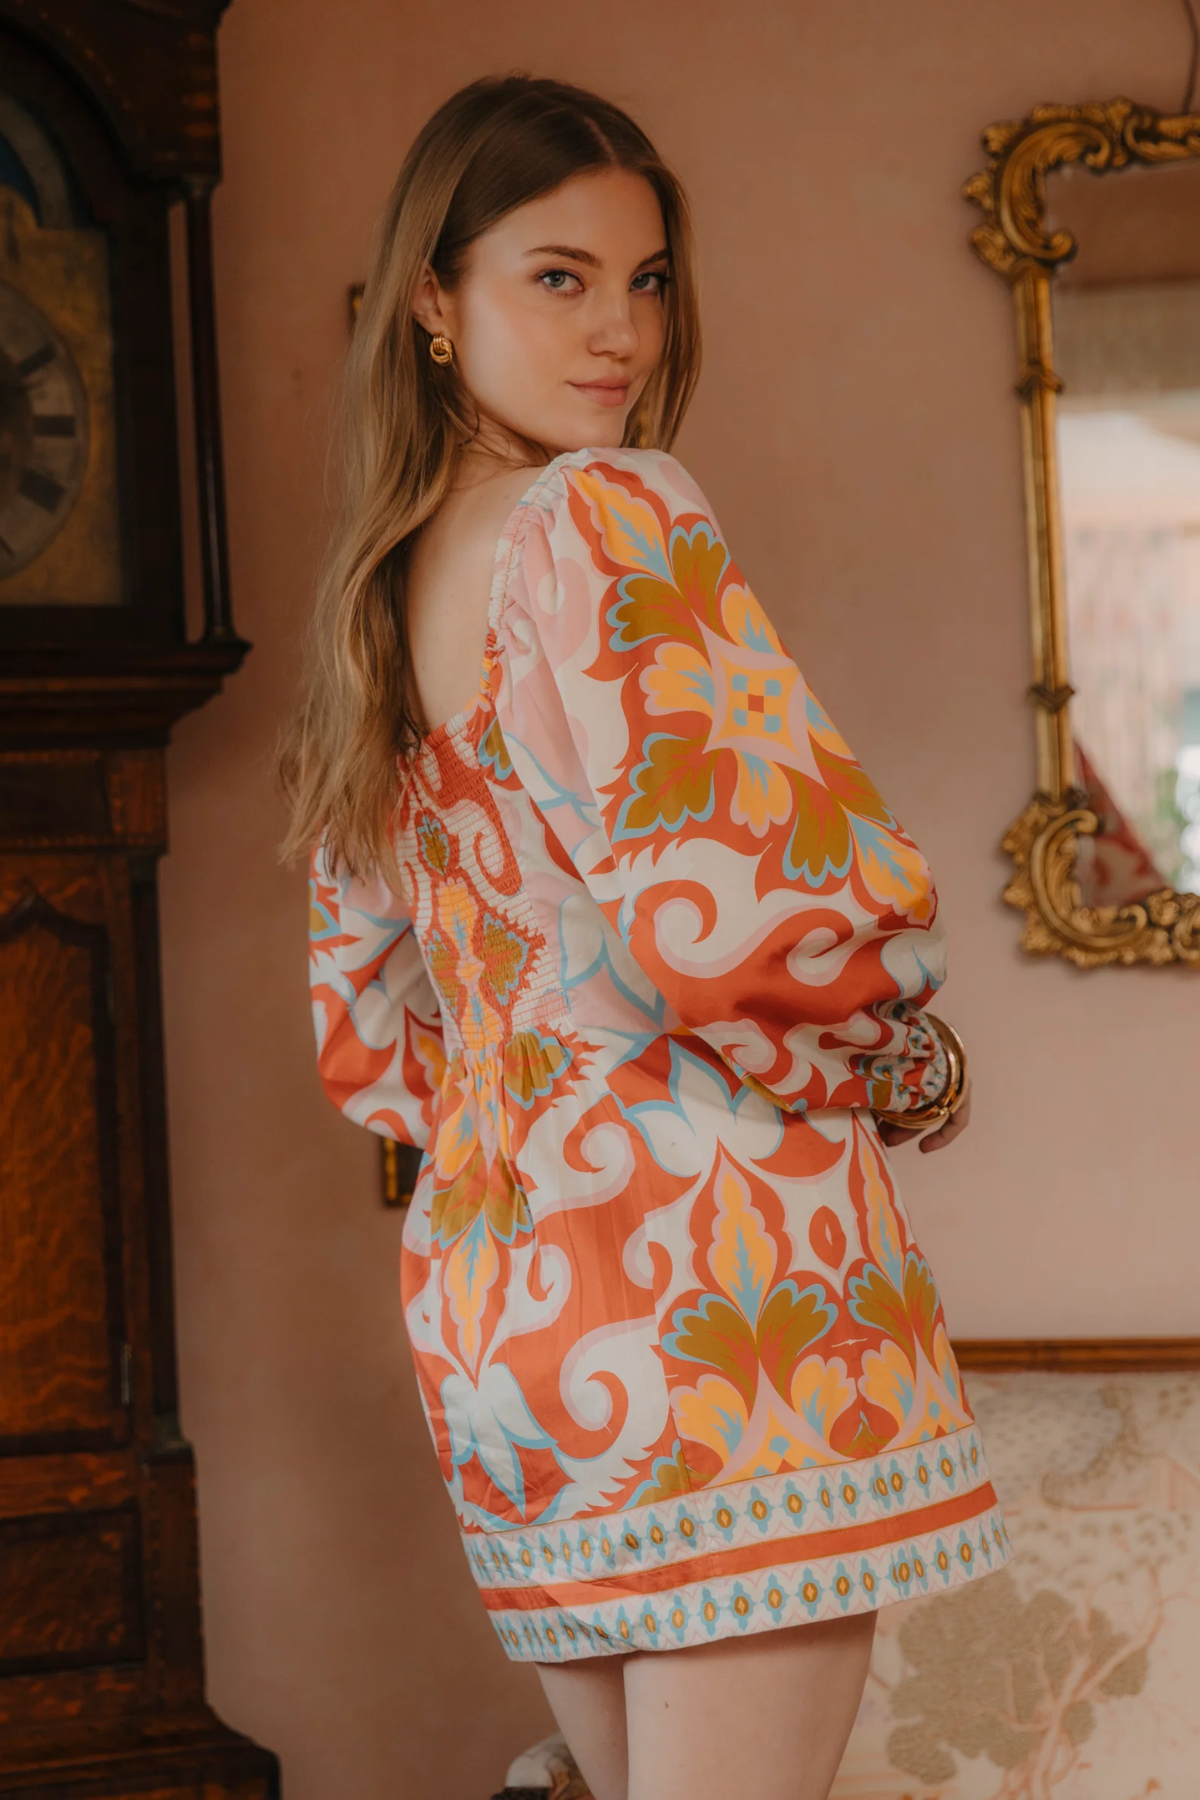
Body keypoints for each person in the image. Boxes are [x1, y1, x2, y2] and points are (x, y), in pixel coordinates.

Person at [282, 74, 1008, 1800]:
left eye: (649, 278)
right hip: (710, 1277)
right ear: (437, 306)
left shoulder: (372, 607)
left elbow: (374, 1023)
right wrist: (902, 1054)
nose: (620, 330)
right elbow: (763, 906)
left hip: (504, 1298)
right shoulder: (605, 519)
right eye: (560, 277)